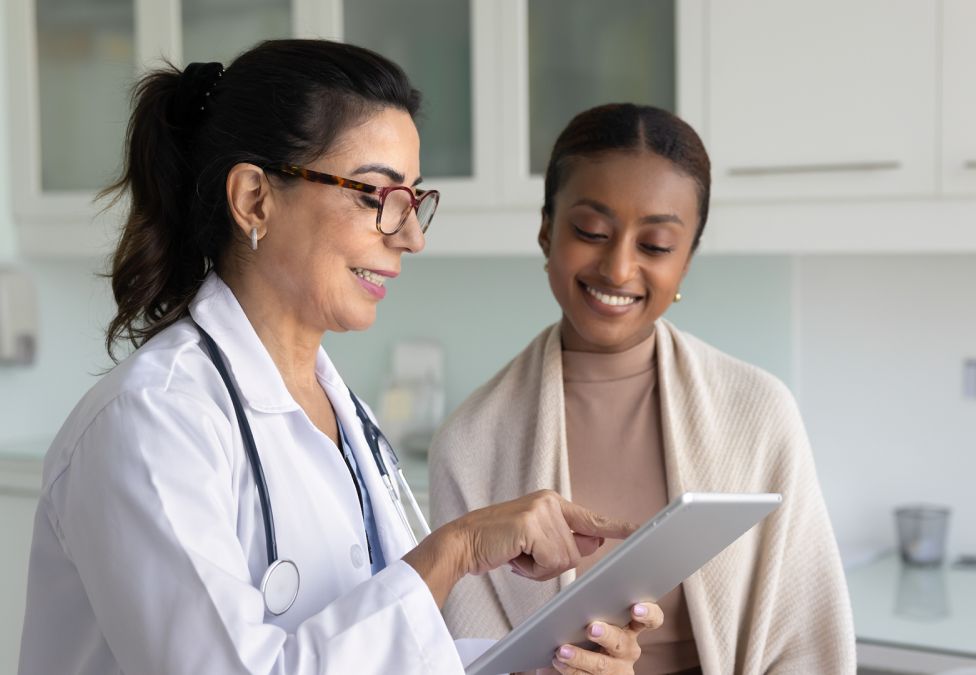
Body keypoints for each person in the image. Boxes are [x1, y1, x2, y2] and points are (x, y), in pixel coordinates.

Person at [17, 42, 661, 675]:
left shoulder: (343, 415)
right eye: (375, 196)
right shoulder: (150, 421)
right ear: (253, 200)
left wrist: (546, 663)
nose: (410, 236)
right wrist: (455, 549)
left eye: (413, 200)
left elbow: (374, 652)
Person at [429, 104, 857, 675]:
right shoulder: (471, 443)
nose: (619, 268)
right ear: (545, 230)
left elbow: (810, 642)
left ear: (685, 261)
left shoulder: (759, 415)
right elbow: (466, 658)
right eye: (591, 232)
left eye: (655, 245)